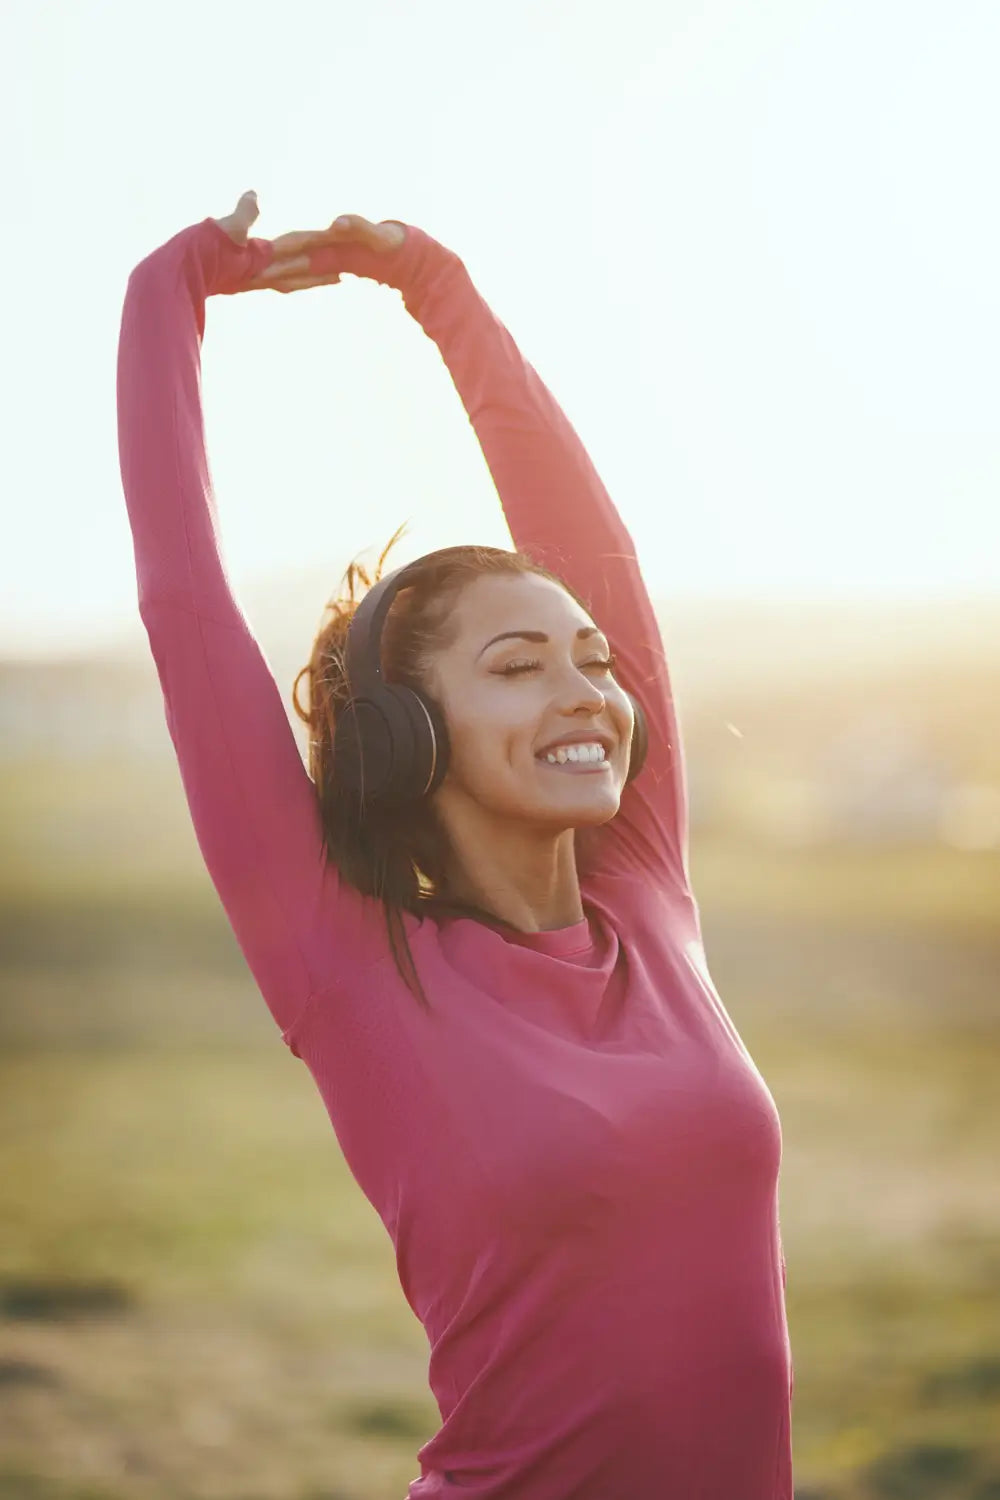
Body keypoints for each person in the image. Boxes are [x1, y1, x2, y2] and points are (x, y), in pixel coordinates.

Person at [117, 190, 794, 1499]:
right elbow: (183, 603)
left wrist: (440, 287)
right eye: (518, 667)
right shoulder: (349, 966)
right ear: (407, 737)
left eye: (592, 661)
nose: (586, 694)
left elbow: (603, 551)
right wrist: (171, 298)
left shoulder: (645, 895)